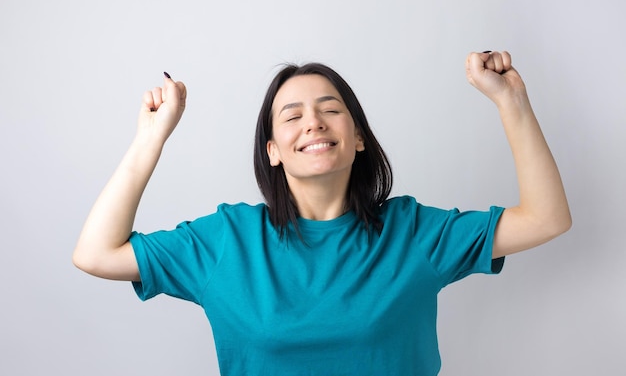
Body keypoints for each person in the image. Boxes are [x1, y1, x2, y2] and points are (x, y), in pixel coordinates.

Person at [73, 51, 571, 375]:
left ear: (357, 138)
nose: (312, 121)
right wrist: (151, 137)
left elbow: (546, 218)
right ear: (273, 150)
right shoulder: (227, 241)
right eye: (292, 116)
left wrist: (512, 101)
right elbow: (96, 253)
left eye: (330, 109)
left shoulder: (413, 233)